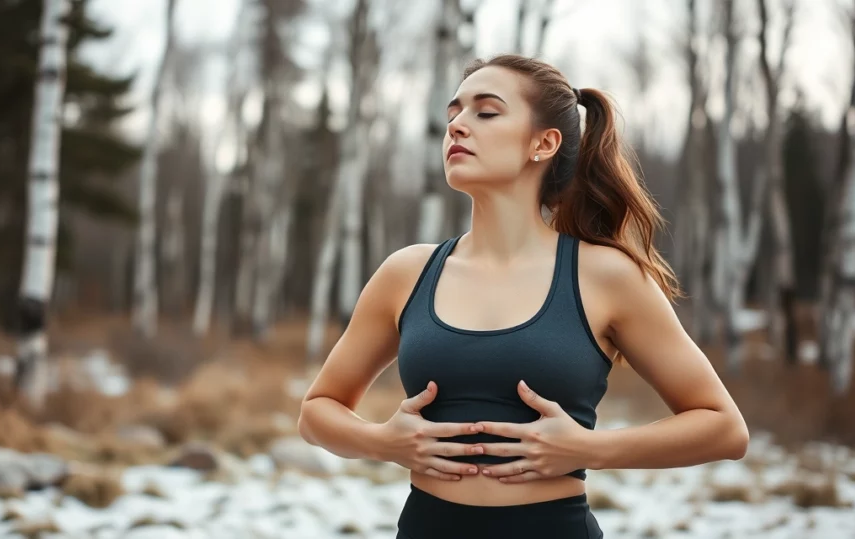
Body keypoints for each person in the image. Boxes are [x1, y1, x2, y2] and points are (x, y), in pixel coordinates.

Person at [296, 54, 749, 539]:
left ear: (543, 143)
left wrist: (587, 449)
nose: (457, 126)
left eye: (486, 112)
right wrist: (383, 442)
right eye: (453, 113)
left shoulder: (604, 276)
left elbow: (723, 427)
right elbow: (317, 411)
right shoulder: (407, 273)